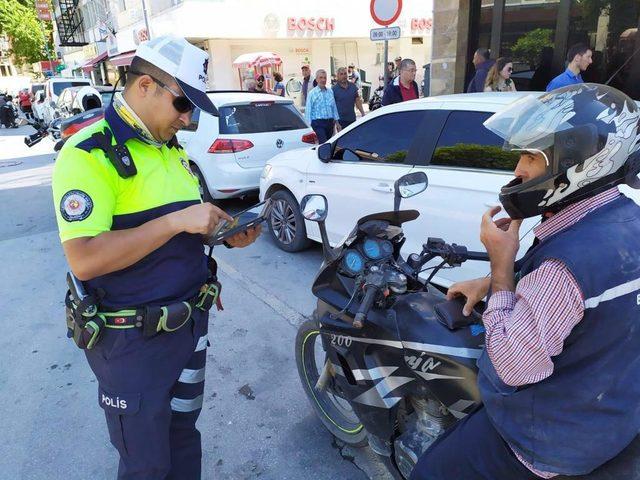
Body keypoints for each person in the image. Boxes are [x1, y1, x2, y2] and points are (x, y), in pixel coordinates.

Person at [52, 35, 261, 479]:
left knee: (184, 436)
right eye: (183, 104)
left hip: (190, 329)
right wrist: (175, 222)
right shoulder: (88, 153)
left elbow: (189, 231)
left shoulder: (171, 150)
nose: (187, 120)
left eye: (194, 110)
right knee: (146, 464)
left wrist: (225, 235)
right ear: (145, 85)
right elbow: (84, 259)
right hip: (132, 345)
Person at [411, 84, 640, 479]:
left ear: (581, 163)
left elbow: (512, 368)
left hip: (547, 442)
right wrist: (493, 281)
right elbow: (589, 300)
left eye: (531, 156)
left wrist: (502, 268)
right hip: (615, 417)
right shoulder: (623, 220)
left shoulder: (564, 265)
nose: (518, 170)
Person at [305, 69, 340, 143]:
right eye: (321, 78)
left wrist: (337, 123)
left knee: (329, 143)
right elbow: (308, 110)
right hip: (318, 123)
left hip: (330, 123)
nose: (323, 80)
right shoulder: (312, 93)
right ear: (317, 79)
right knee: (324, 144)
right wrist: (309, 127)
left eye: (325, 78)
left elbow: (334, 107)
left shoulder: (330, 91)